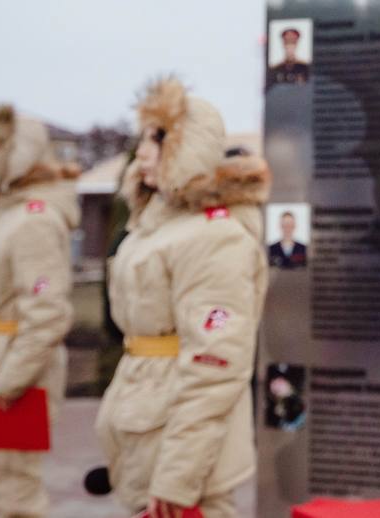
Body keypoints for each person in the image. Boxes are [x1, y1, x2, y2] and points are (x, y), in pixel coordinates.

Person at [95, 78, 269, 518]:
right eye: (145, 138)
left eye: (160, 138)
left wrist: (179, 476)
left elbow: (215, 366)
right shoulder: (154, 226)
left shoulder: (214, 236)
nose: (143, 152)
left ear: (187, 146)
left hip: (181, 452)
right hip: (147, 426)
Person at [0, 106, 78, 518]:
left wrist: (9, 381)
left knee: (15, 493)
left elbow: (46, 314)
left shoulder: (33, 221)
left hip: (14, 371)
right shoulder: (10, 214)